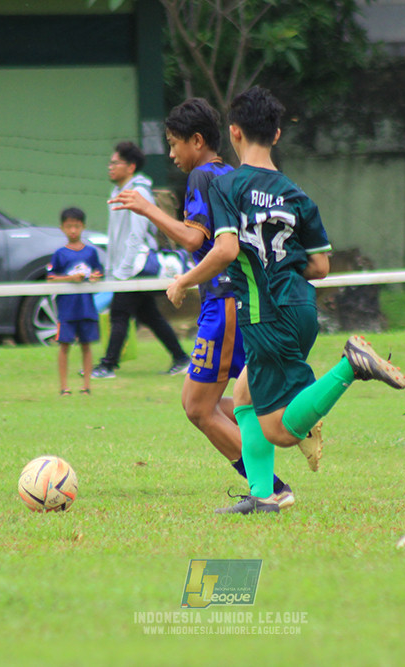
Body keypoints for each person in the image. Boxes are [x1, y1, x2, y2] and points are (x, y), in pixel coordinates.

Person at [166, 86, 405, 514]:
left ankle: (350, 366)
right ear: (277, 135)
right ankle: (264, 495)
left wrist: (184, 281)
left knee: (280, 430)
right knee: (243, 396)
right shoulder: (296, 194)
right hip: (300, 306)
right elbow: (320, 268)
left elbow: (223, 251)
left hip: (264, 312)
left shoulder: (229, 187)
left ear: (234, 132)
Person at [108, 98, 304, 509]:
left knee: (198, 407)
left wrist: (148, 210)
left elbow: (197, 239)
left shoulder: (202, 176)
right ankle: (294, 422)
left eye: (174, 143)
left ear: (197, 141)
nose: (173, 153)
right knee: (237, 402)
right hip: (241, 302)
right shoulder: (230, 175)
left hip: (223, 304)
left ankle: (269, 489)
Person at [91, 141, 190, 379]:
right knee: (149, 316)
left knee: (120, 314)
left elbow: (137, 234)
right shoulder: (117, 192)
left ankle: (107, 365)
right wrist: (111, 269)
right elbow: (116, 238)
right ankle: (181, 358)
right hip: (125, 269)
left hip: (136, 266)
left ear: (131, 166)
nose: (110, 167)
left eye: (115, 163)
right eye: (110, 163)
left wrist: (123, 270)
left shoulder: (140, 192)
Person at [47, 207, 104, 395]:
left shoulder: (90, 252)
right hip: (67, 308)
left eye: (77, 226)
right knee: (64, 345)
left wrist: (95, 277)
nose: (73, 230)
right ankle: (64, 387)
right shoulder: (60, 254)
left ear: (83, 227)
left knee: (86, 345)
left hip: (86, 307)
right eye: (69, 226)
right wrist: (70, 279)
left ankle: (86, 386)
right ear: (62, 228)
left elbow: (99, 272)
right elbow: (51, 277)